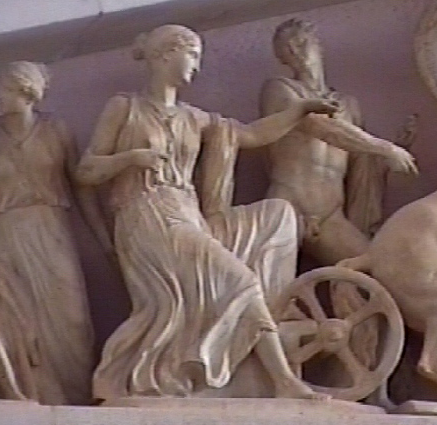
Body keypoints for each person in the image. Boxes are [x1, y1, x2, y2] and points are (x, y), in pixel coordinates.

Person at [76, 24, 339, 400]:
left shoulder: (194, 118)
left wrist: (297, 111)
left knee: (277, 216)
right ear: (166, 54)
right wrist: (131, 158)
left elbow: (251, 135)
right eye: (193, 55)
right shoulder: (125, 107)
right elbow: (86, 171)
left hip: (187, 214)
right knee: (240, 280)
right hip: (146, 215)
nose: (197, 66)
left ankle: (243, 365)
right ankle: (283, 381)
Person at [0, 61, 113, 405]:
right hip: (1, 238)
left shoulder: (56, 130)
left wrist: (105, 240)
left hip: (51, 232)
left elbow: (82, 188)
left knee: (73, 321)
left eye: (5, 90)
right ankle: (15, 398)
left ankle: (73, 406)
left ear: (26, 93)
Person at [260, 18, 418, 267]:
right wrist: (385, 148)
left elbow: (360, 164)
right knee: (270, 283)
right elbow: (319, 126)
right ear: (282, 58)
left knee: (375, 267)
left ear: (318, 47)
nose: (296, 51)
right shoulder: (279, 89)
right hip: (289, 204)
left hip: (330, 213)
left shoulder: (349, 104)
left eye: (301, 43)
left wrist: (390, 154)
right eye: (287, 48)